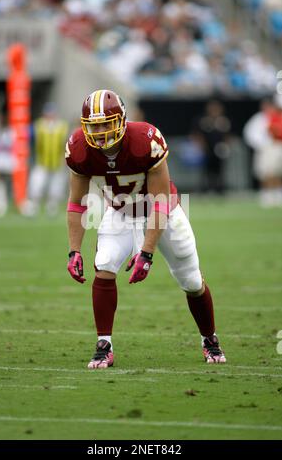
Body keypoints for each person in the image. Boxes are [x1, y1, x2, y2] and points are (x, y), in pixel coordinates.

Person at [65, 89, 226, 369]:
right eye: (94, 126)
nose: (100, 132)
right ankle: (104, 344)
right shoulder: (80, 148)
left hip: (162, 211)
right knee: (104, 265)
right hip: (120, 212)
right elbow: (77, 205)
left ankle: (209, 338)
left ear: (122, 120)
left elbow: (161, 203)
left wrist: (147, 253)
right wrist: (73, 251)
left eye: (106, 124)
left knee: (191, 281)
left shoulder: (144, 140)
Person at [22, 102, 69, 216]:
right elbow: (28, 139)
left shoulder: (62, 126)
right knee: (36, 186)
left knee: (56, 188)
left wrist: (66, 157)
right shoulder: (38, 125)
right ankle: (33, 207)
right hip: (41, 161)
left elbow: (67, 142)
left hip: (57, 162)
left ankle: (51, 208)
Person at [244, 95, 282, 207]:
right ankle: (267, 195)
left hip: (279, 147)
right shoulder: (259, 118)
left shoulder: (278, 117)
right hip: (265, 149)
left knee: (278, 172)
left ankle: (278, 195)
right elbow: (250, 134)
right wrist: (261, 145)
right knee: (266, 173)